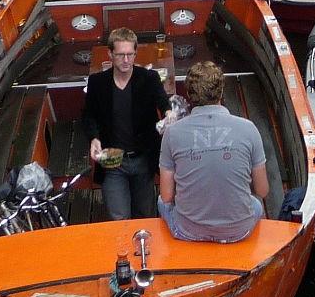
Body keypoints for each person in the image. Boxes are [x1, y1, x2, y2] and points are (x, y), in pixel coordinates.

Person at [159, 61, 269, 242]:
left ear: (189, 94)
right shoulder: (249, 128)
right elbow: (262, 190)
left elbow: (167, 196)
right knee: (256, 204)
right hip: (239, 230)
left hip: (189, 230)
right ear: (221, 92)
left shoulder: (172, 133)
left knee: (160, 203)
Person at [82, 27, 173, 220]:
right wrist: (94, 138)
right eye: (121, 55)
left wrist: (169, 113)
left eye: (130, 55)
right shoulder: (97, 82)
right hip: (113, 162)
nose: (126, 60)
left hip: (143, 159)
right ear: (110, 54)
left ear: (135, 53)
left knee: (145, 215)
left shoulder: (149, 78)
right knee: (118, 218)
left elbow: (163, 101)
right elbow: (89, 116)